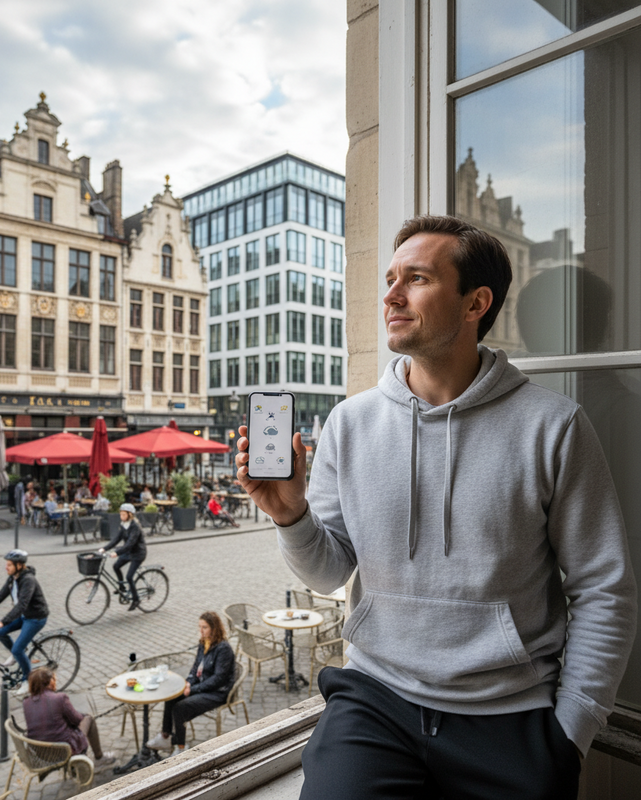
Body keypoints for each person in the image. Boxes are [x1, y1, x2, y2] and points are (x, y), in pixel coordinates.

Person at [235, 215, 637, 799]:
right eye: (391, 279)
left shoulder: (553, 426)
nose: (392, 296)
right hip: (376, 700)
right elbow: (328, 571)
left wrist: (571, 730)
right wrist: (289, 513)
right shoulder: (350, 423)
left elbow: (605, 588)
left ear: (476, 302)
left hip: (510, 715)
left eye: (417, 278)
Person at [146, 611, 235, 755]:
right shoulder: (203, 643)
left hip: (218, 692)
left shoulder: (223, 649)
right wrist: (188, 683)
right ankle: (165, 736)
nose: (201, 631)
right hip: (202, 686)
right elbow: (195, 668)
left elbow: (219, 679)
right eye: (200, 627)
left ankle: (180, 747)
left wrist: (193, 689)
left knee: (180, 708)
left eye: (204, 627)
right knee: (172, 697)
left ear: (214, 628)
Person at [0, 549, 49, 696]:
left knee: (17, 649)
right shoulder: (13, 578)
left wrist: (2, 621)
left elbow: (22, 605)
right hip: (25, 616)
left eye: (9, 564)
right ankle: (19, 652)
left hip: (36, 618)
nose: (6, 567)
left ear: (19, 565)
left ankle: (27, 680)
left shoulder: (28, 580)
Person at [22, 667, 114, 766]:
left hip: (41, 753)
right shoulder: (59, 698)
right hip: (63, 751)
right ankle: (99, 757)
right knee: (88, 719)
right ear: (51, 682)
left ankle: (77, 765)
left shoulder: (26, 702)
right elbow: (77, 719)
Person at [98, 503, 146, 611]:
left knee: (129, 577)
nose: (122, 516)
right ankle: (122, 587)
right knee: (116, 566)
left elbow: (130, 543)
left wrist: (117, 553)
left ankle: (136, 599)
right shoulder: (123, 524)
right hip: (128, 552)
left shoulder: (135, 527)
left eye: (124, 514)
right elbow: (116, 539)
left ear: (130, 515)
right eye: (121, 514)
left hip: (138, 553)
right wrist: (104, 548)